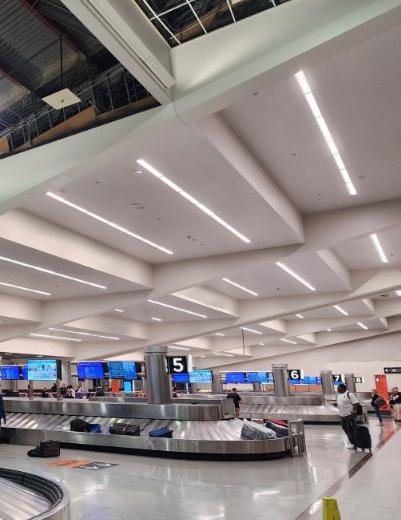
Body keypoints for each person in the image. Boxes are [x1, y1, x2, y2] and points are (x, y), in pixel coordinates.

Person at [336, 383, 359, 447]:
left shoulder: (349, 394)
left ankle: (356, 443)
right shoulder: (339, 395)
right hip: (342, 416)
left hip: (349, 416)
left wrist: (353, 411)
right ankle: (353, 443)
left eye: (338, 388)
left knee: (352, 430)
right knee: (346, 429)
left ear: (343, 388)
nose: (337, 389)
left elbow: (356, 403)